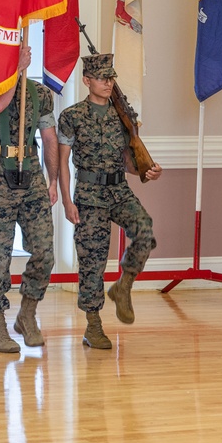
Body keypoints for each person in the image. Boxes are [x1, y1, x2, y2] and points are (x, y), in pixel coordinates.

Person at [57, 53, 162, 349]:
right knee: (93, 259)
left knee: (144, 228)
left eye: (111, 78)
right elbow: (62, 163)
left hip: (119, 190)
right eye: (102, 78)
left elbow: (129, 162)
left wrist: (148, 170)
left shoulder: (123, 117)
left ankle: (124, 284)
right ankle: (93, 326)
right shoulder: (72, 116)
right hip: (89, 195)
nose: (107, 82)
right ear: (87, 80)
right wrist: (67, 200)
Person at [0, 42, 58, 353]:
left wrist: (54, 181)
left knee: (44, 251)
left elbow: (48, 137)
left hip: (32, 176)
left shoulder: (40, 94)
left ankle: (27, 313)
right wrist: (14, 71)